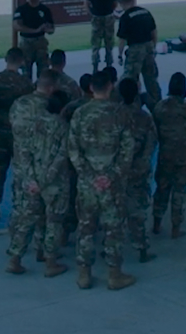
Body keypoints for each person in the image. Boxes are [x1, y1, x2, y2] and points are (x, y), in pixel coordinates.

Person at [68, 71, 137, 291]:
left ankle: (84, 274)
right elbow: (128, 149)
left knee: (86, 228)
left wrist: (89, 175)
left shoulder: (79, 114)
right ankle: (114, 275)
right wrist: (111, 175)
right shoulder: (121, 113)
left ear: (90, 88)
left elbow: (73, 150)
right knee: (113, 229)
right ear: (110, 86)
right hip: (112, 184)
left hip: (87, 184)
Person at [5, 80, 72, 278]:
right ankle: (50, 261)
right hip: (54, 183)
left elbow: (23, 153)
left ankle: (15, 258)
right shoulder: (63, 128)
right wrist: (45, 180)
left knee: (27, 219)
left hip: (31, 181)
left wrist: (32, 179)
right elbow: (62, 156)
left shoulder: (32, 125)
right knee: (54, 220)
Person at [0, 48, 34, 226]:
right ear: (21, 61)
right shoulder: (25, 83)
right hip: (18, 134)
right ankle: (19, 208)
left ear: (6, 59)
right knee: (21, 172)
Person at [151, 71, 186, 239]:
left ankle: (156, 223)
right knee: (180, 192)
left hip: (165, 155)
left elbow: (154, 130)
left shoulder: (160, 107)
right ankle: (176, 228)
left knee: (161, 189)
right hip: (183, 156)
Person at [118, 78, 157, 264]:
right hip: (137, 172)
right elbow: (151, 143)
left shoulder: (113, 115)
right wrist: (142, 165)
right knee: (138, 211)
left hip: (116, 172)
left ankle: (110, 247)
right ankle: (141, 248)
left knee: (113, 210)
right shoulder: (143, 117)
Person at [116, 0, 160, 108]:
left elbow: (122, 40)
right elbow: (154, 33)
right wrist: (153, 48)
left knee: (130, 78)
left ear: (121, 4)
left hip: (135, 50)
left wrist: (120, 55)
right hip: (149, 47)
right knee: (151, 78)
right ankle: (157, 103)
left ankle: (132, 104)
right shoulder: (145, 12)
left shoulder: (125, 17)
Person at [14, 0, 56, 79]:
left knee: (43, 70)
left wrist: (47, 29)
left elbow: (52, 28)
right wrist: (35, 30)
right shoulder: (21, 9)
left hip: (40, 42)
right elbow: (17, 26)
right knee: (26, 71)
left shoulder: (44, 10)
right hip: (26, 43)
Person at [87, 0, 121, 72]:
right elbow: (86, 3)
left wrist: (111, 12)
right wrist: (91, 15)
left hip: (108, 19)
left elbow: (115, 2)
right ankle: (95, 67)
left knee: (109, 44)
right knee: (96, 45)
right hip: (97, 18)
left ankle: (109, 66)